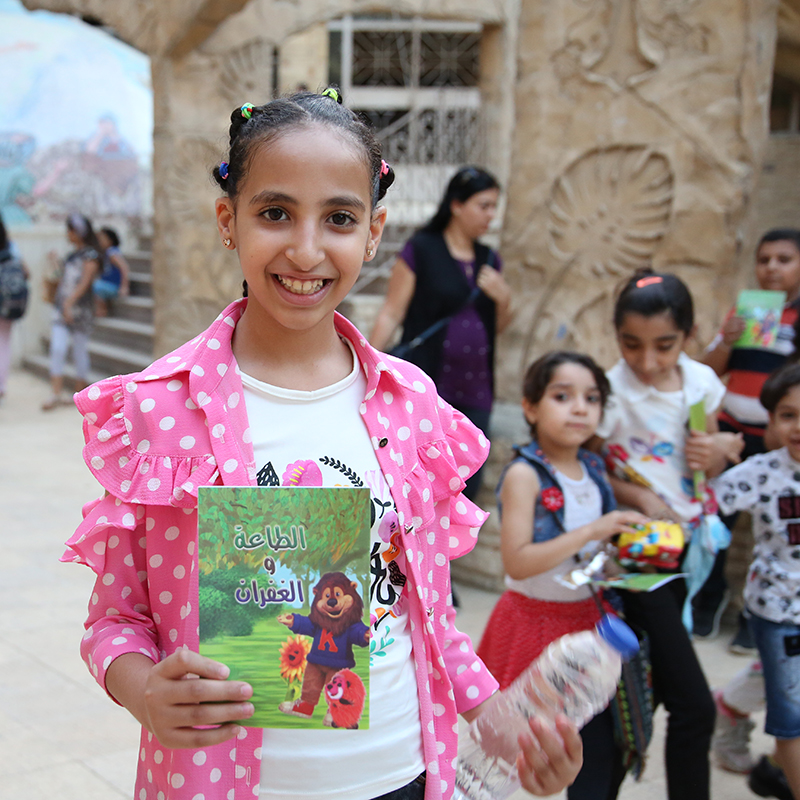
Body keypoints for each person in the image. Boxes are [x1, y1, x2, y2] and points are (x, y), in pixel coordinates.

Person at [61, 91, 583, 800]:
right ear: (229, 220)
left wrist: (494, 713)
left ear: (373, 233)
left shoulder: (412, 404)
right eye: (275, 213)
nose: (306, 250)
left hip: (403, 771)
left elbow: (428, 609)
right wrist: (144, 690)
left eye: (339, 218)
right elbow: (115, 620)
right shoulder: (157, 409)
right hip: (228, 783)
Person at [591, 269, 739, 800]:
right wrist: (637, 499)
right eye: (632, 345)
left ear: (689, 335)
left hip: (691, 553)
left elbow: (714, 451)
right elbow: (588, 469)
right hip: (638, 561)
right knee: (694, 707)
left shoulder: (700, 383)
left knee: (643, 696)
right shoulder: (609, 393)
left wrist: (725, 450)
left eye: (664, 346)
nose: (647, 361)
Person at [477, 351, 648, 800]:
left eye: (592, 398)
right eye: (562, 396)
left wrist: (629, 556)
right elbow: (517, 561)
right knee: (520, 751)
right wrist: (592, 530)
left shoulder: (593, 469)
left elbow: (595, 556)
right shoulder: (523, 475)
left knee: (588, 745)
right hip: (534, 621)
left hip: (589, 624)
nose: (579, 408)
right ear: (530, 406)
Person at [369, 166, 513, 501]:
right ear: (457, 205)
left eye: (494, 206)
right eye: (484, 205)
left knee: (468, 480)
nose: (491, 215)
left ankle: (451, 552)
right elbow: (392, 311)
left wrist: (504, 299)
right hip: (430, 383)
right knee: (423, 477)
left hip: (476, 387)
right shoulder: (421, 249)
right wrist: (370, 365)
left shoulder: (489, 260)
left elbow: (496, 329)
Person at [694, 228, 800, 653]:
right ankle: (707, 603)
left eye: (784, 259)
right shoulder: (745, 312)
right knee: (717, 520)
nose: (772, 267)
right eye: (764, 259)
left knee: (774, 528)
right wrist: (728, 338)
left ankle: (753, 618)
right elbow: (709, 369)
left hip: (781, 444)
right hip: (731, 435)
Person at [709, 361, 800, 800]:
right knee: (792, 714)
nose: (798, 426)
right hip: (779, 611)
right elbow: (707, 500)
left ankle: (727, 704)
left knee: (778, 678)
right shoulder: (763, 471)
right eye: (788, 415)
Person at [41, 212, 100, 410]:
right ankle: (55, 393)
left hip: (80, 311)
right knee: (57, 348)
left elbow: (84, 282)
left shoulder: (90, 255)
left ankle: (80, 395)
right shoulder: (72, 255)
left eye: (70, 230)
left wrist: (69, 304)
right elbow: (64, 279)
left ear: (78, 232)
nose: (67, 234)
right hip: (62, 308)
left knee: (79, 350)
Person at [0, 213, 29, 403]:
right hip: (7, 303)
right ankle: (1, 388)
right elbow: (26, 272)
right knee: (4, 343)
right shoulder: (10, 246)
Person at [92, 226, 130, 316]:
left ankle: (102, 309)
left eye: (101, 238)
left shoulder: (112, 253)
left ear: (110, 240)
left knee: (94, 286)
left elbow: (124, 268)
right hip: (107, 284)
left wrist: (124, 286)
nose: (99, 241)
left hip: (114, 286)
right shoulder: (104, 253)